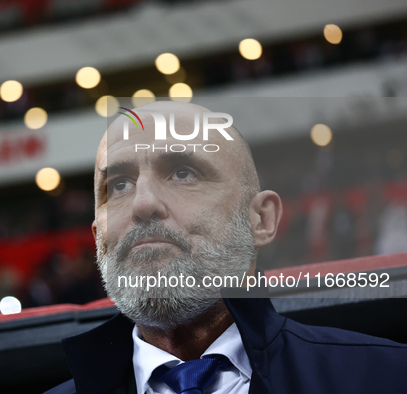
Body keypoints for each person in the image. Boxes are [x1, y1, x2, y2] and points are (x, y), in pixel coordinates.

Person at [46, 101, 407, 394]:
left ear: (261, 220)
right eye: (119, 184)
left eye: (183, 172)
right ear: (97, 238)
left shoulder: (388, 377)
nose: (142, 204)